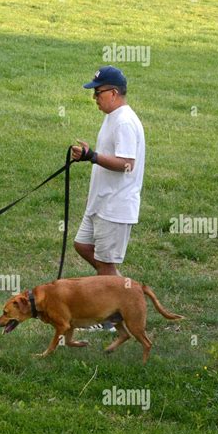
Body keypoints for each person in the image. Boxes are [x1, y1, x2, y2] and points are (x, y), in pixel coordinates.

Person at [72, 65, 145, 279]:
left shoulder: (124, 121)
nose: (94, 97)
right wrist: (89, 155)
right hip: (100, 202)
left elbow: (127, 163)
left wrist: (92, 156)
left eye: (98, 92)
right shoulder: (112, 116)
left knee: (105, 267)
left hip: (115, 207)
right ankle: (119, 291)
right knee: (82, 244)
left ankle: (120, 303)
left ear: (113, 93)